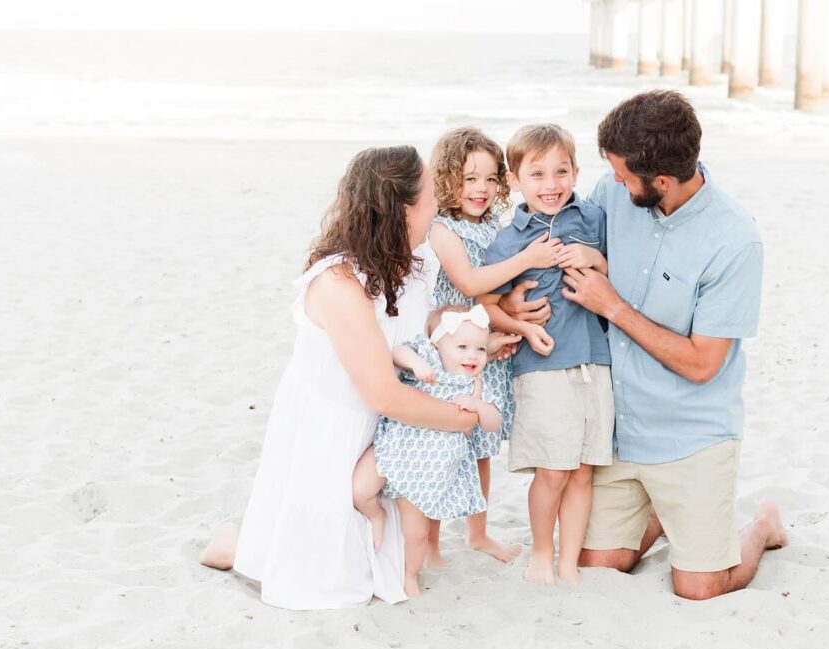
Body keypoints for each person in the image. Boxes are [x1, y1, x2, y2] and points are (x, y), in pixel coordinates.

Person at [199, 146, 492, 610]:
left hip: (386, 434)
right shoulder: (338, 282)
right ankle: (233, 542)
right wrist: (460, 420)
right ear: (403, 209)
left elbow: (422, 330)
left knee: (385, 567)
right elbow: (381, 391)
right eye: (431, 194)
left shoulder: (415, 262)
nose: (440, 203)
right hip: (334, 427)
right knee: (324, 581)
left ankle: (249, 536)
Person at [536, 90, 787, 600]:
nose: (614, 182)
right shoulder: (614, 192)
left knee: (699, 588)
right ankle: (664, 511)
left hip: (689, 434)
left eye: (625, 176)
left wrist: (614, 306)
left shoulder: (735, 241)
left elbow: (702, 365)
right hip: (617, 429)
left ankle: (762, 524)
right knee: (598, 566)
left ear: (663, 182)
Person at [479, 123, 614, 587]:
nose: (551, 184)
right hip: (542, 367)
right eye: (536, 174)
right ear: (515, 180)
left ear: (576, 172)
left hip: (595, 362)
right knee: (553, 470)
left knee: (581, 471)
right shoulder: (510, 239)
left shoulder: (593, 218)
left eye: (560, 171)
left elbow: (616, 271)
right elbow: (485, 303)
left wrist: (594, 260)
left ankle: (568, 561)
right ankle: (541, 551)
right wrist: (515, 317)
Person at [426, 127, 562, 564]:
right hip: (452, 352)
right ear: (447, 179)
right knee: (443, 444)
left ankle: (477, 533)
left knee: (481, 447)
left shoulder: (493, 227)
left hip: (485, 349)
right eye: (469, 179)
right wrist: (528, 259)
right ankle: (428, 539)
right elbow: (467, 283)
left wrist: (511, 321)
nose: (481, 189)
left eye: (489, 179)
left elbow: (498, 293)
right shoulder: (442, 229)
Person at [352, 304, 504, 597]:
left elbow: (493, 423)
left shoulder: (475, 385)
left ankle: (410, 575)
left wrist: (479, 407)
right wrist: (418, 366)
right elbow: (397, 351)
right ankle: (376, 516)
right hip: (394, 445)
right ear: (437, 345)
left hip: (427, 468)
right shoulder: (426, 357)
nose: (472, 355)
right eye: (462, 347)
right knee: (360, 491)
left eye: (480, 349)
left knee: (417, 533)